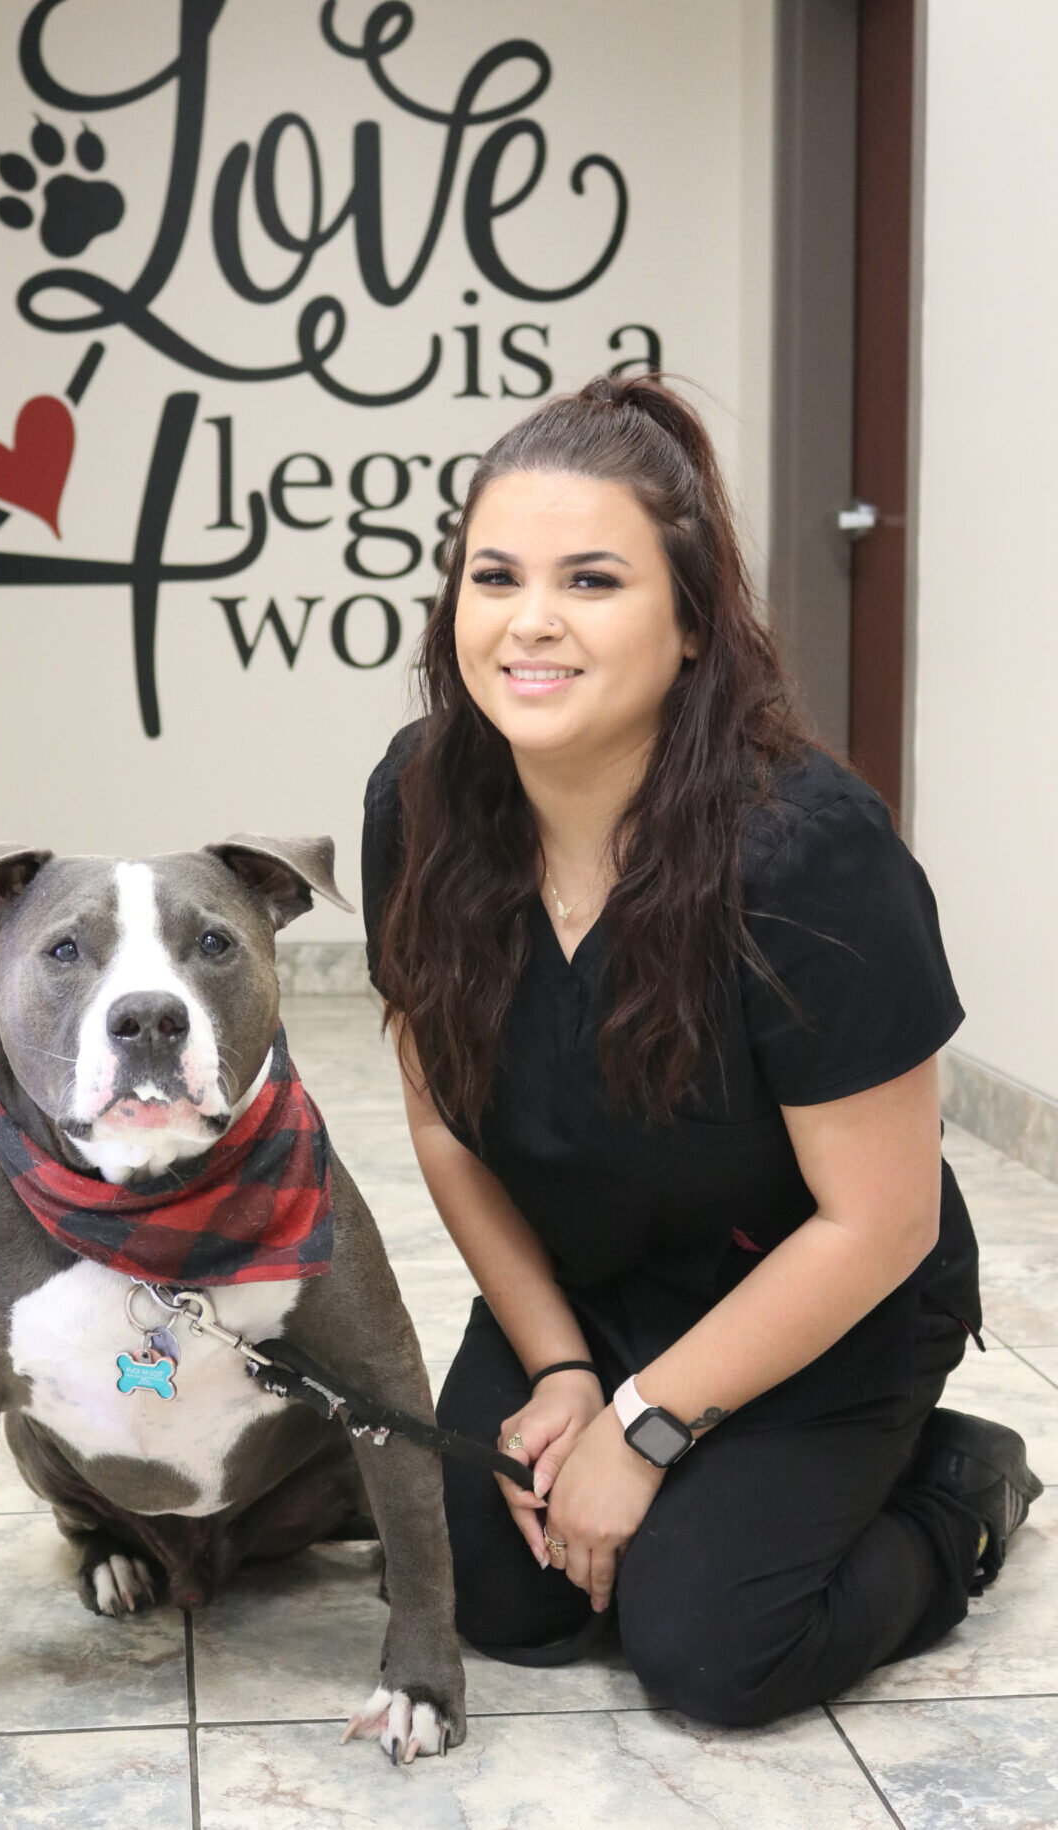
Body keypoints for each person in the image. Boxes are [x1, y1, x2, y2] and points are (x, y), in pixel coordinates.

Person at [360, 372, 1042, 1728]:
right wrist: (561, 1370)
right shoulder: (422, 798)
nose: (530, 621)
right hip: (594, 1281)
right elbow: (443, 1125)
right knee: (493, 1596)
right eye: (493, 575)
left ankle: (958, 1488)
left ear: (688, 625)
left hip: (819, 1302)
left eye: (593, 580)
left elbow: (878, 1220)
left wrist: (647, 1426)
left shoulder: (807, 852)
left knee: (711, 1650)